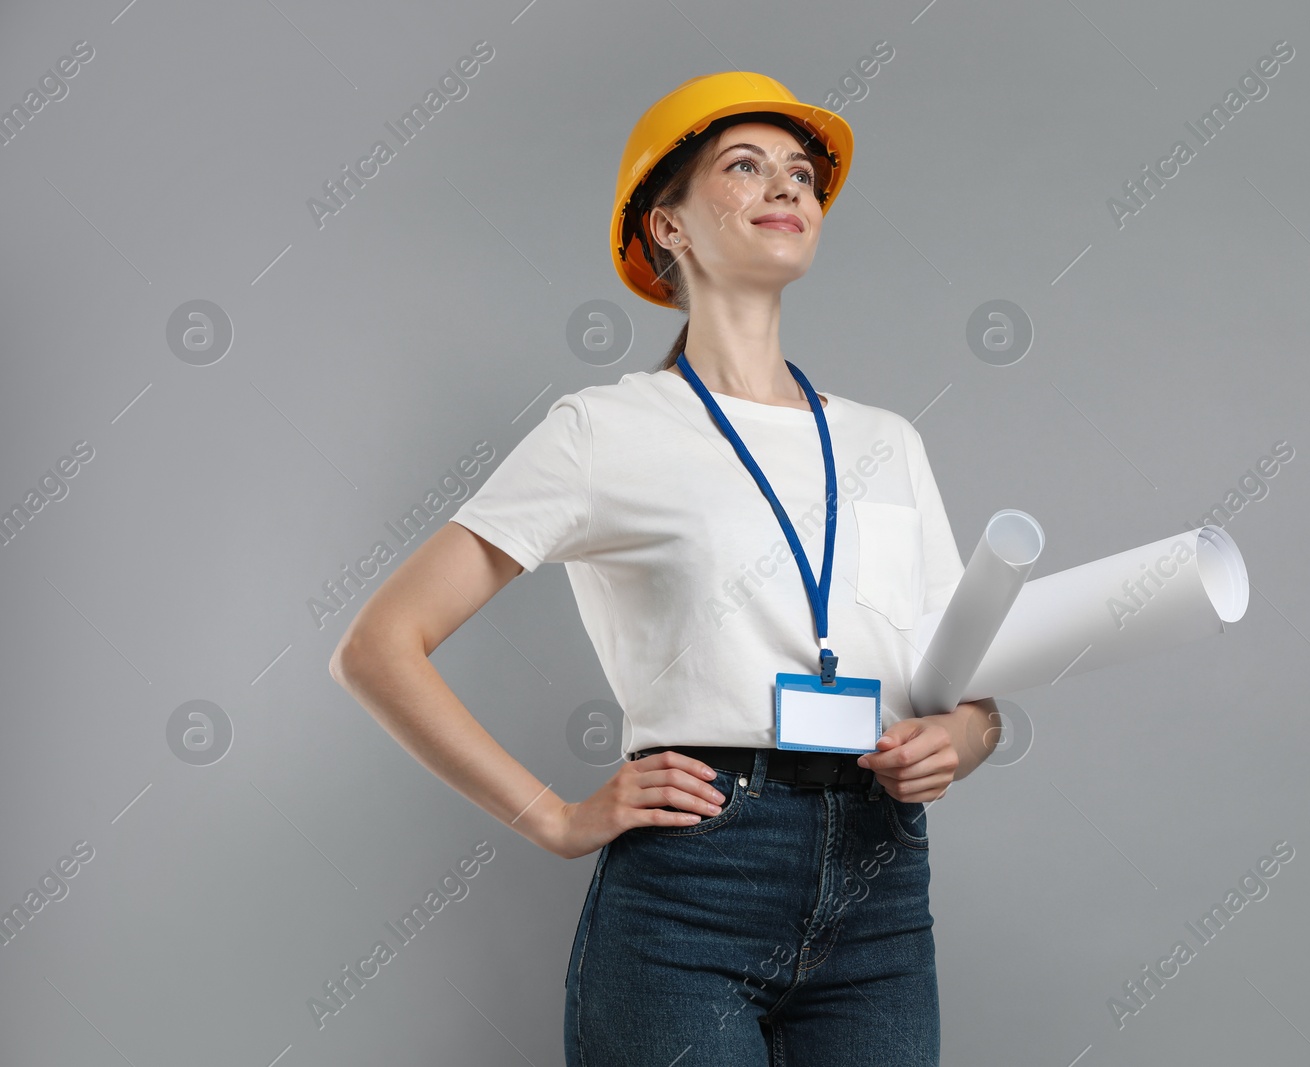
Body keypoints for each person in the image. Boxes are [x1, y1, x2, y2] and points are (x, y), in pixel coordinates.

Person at [329, 71, 1002, 1065]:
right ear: (668, 226)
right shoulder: (604, 431)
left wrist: (961, 737)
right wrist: (556, 817)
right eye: (745, 166)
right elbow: (378, 647)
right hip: (695, 883)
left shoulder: (885, 441)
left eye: (803, 175)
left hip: (881, 883)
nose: (789, 188)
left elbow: (969, 693)